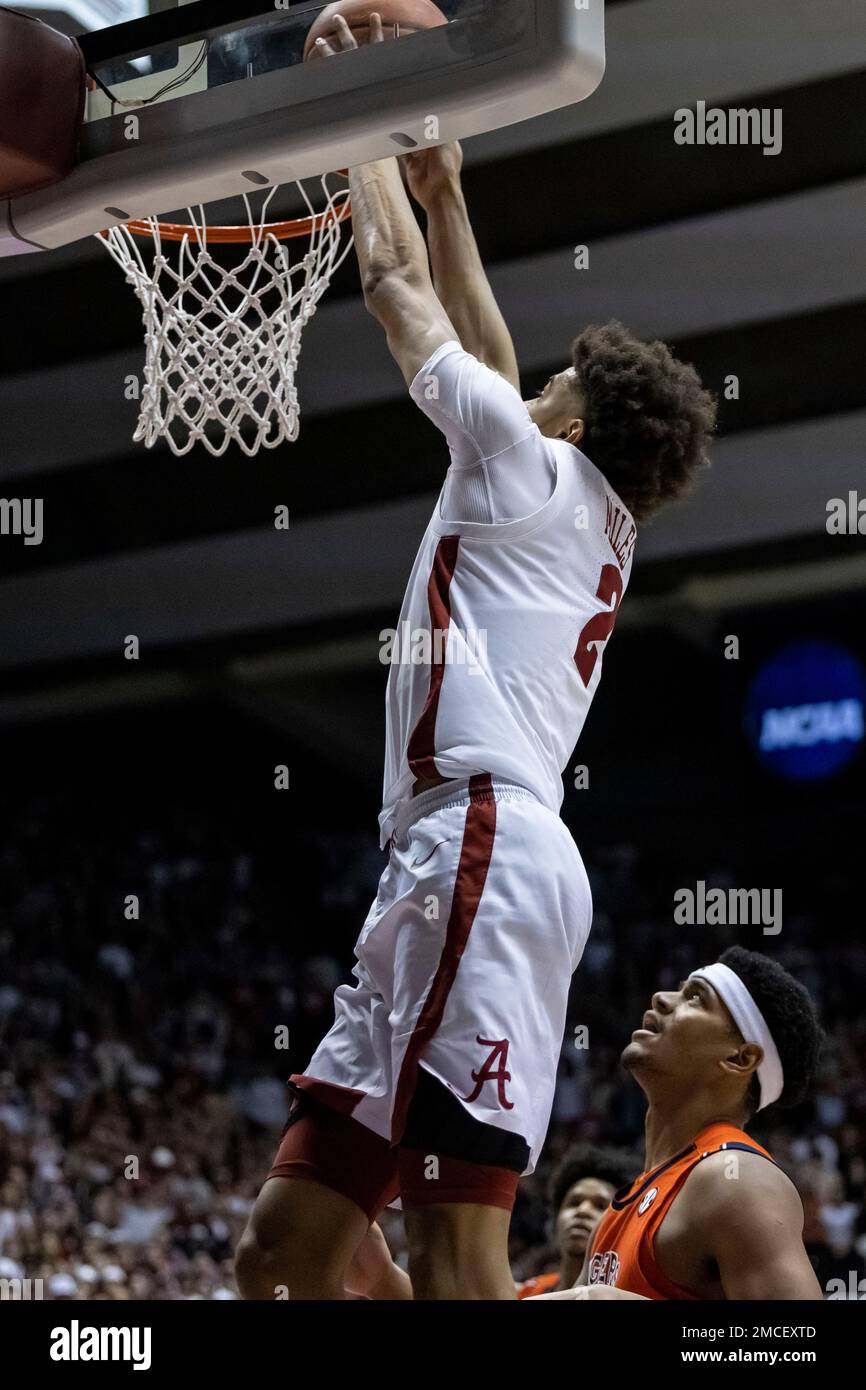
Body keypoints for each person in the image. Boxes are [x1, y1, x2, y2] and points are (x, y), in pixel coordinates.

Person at [236, 13, 717, 1301]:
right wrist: (446, 185)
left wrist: (352, 121)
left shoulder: (522, 466)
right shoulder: (572, 501)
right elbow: (491, 354)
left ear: (571, 419)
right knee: (285, 1258)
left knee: (458, 1259)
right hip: (461, 860)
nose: (533, 375)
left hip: (482, 855)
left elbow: (399, 295)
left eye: (556, 380)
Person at [574, 947, 824, 1299]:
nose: (660, 998)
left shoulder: (735, 1180)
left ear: (740, 1058)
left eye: (694, 997)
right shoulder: (616, 1212)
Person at [517, 1144, 640, 1298]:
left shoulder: (629, 1295)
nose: (583, 1211)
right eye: (574, 1202)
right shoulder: (526, 1293)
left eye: (600, 1206)